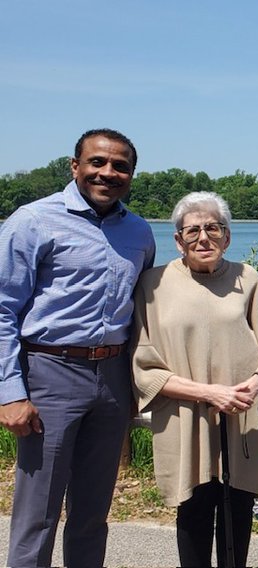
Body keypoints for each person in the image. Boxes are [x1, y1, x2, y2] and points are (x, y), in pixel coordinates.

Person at [0, 129, 156, 567]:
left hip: (111, 378)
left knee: (93, 512)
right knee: (38, 511)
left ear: (131, 174)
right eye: (97, 163)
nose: (108, 173)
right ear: (75, 166)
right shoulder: (32, 221)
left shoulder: (140, 232)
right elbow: (2, 310)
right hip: (49, 371)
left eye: (120, 166)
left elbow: (137, 312)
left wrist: (133, 386)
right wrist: (10, 393)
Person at [131, 192, 258, 568]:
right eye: (194, 230)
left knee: (238, 510)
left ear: (227, 236)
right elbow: (144, 365)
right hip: (185, 415)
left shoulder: (246, 278)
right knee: (194, 509)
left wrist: (256, 382)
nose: (204, 238)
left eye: (213, 228)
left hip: (241, 414)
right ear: (178, 240)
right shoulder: (153, 283)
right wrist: (208, 393)